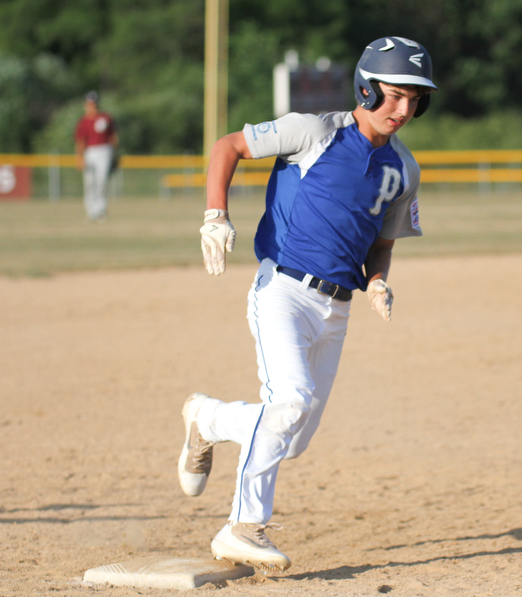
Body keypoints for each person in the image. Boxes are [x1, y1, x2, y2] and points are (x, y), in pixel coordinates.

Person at [177, 36, 437, 572]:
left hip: (337, 309)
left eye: (415, 100)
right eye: (393, 95)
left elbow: (382, 241)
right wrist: (214, 215)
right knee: (288, 403)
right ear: (365, 88)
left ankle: (207, 418)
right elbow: (227, 146)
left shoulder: (404, 170)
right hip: (283, 292)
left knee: (289, 439)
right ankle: (242, 528)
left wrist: (380, 281)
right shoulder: (315, 130)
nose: (403, 109)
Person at [74, 91, 119, 222]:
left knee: (102, 180)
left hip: (105, 151)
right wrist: (79, 158)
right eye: (89, 104)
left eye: (94, 103)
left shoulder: (106, 118)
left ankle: (100, 210)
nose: (92, 106)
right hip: (90, 152)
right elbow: (80, 142)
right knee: (90, 182)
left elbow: (113, 137)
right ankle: (91, 210)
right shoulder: (83, 121)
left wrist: (116, 155)